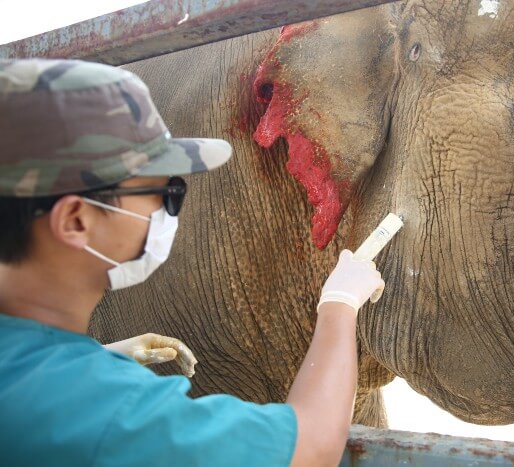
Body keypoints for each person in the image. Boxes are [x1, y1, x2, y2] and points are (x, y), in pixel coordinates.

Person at [0, 59, 386, 466]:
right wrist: (340, 305)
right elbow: (311, 448)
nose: (168, 212)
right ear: (76, 221)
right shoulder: (113, 411)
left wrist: (102, 354)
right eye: (164, 192)